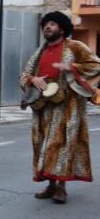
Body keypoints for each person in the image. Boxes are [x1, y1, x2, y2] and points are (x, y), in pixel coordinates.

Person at [20, 11, 100, 203]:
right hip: (43, 108)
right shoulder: (39, 51)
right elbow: (24, 74)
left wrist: (72, 68)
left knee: (62, 145)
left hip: (67, 106)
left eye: (53, 24)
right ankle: (50, 185)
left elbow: (96, 64)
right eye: (46, 24)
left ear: (62, 29)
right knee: (45, 147)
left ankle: (61, 189)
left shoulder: (75, 46)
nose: (48, 27)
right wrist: (33, 79)